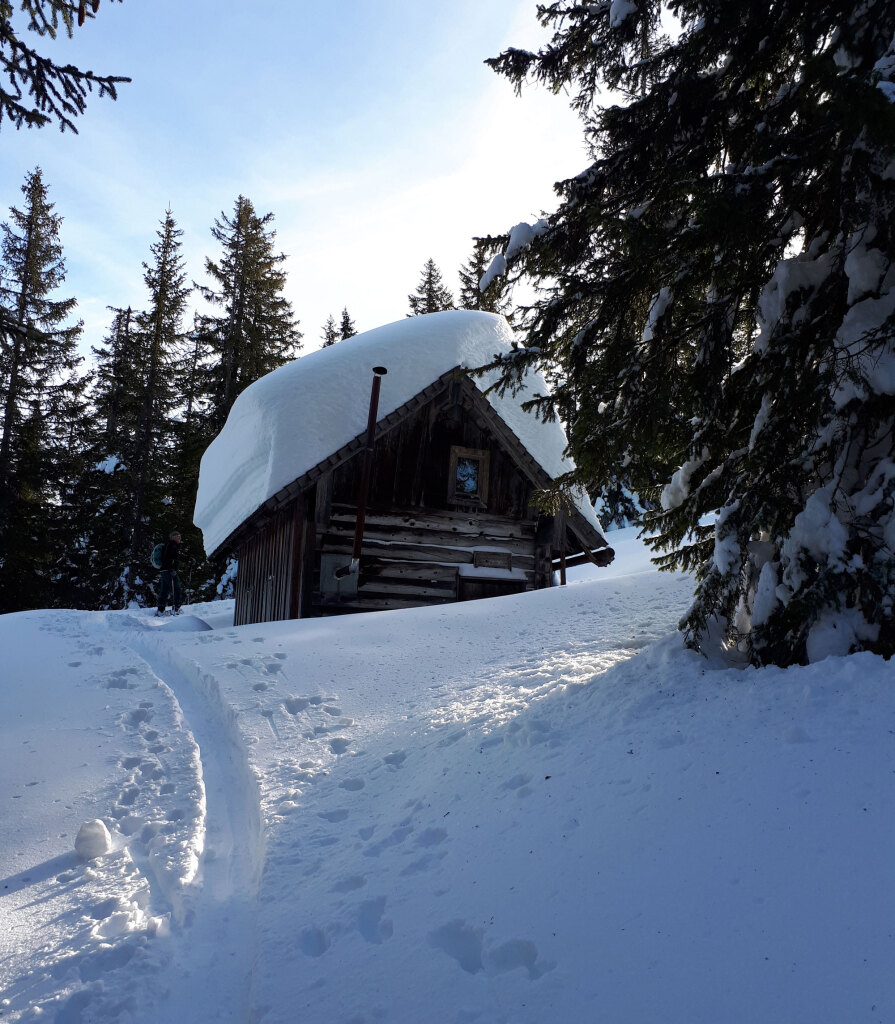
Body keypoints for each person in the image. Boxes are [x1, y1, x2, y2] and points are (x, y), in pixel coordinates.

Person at [156, 531, 183, 616]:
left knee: (165, 589)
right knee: (176, 589)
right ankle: (176, 608)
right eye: (177, 536)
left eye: (180, 536)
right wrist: (172, 569)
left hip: (164, 570)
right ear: (172, 537)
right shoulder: (172, 545)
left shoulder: (169, 545)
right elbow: (168, 558)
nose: (179, 538)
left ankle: (160, 609)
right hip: (169, 571)